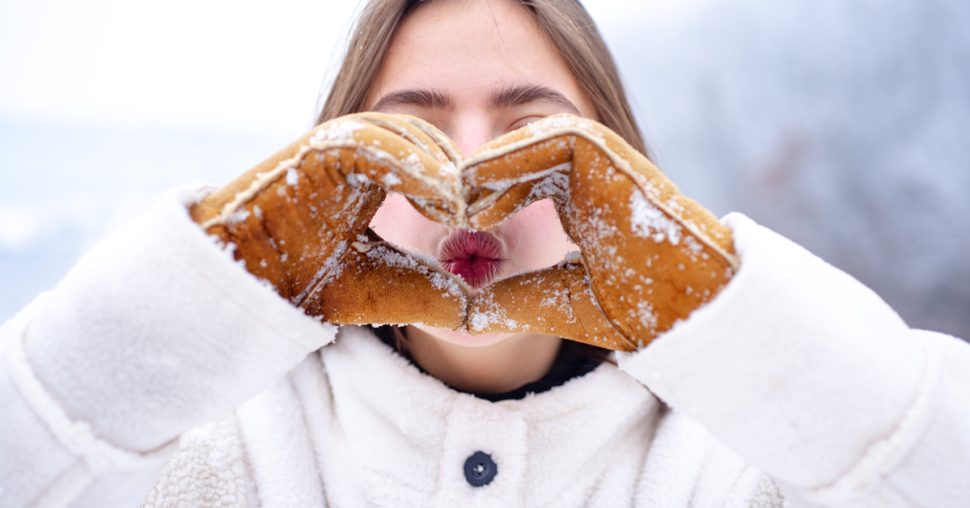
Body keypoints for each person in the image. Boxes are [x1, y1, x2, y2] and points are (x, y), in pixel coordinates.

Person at [1, 0, 967, 506]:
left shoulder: (749, 465)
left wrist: (715, 309)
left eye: (531, 131)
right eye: (405, 135)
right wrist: (198, 298)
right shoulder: (206, 458)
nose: (466, 177)